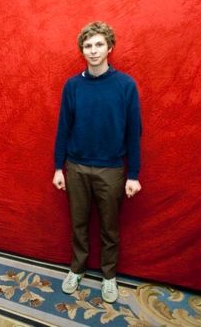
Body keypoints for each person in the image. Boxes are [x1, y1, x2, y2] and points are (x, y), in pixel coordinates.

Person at [53, 21, 142, 303]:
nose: (93, 51)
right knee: (78, 223)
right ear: (82, 50)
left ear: (109, 48)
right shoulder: (73, 85)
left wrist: (134, 174)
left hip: (112, 169)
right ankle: (76, 269)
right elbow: (64, 127)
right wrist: (58, 167)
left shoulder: (125, 85)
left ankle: (108, 276)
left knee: (109, 227)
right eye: (88, 45)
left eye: (99, 44)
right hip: (76, 167)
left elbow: (134, 131)